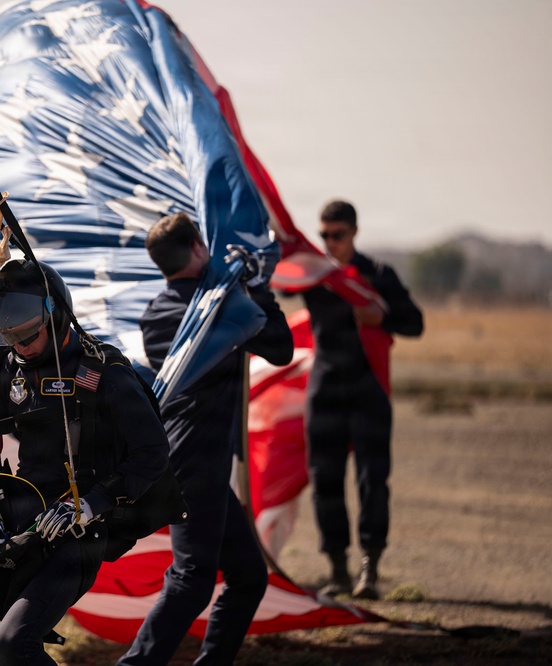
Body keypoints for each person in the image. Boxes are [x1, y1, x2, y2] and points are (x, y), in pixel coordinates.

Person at [0, 258, 174, 666]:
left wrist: (89, 505)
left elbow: (151, 454)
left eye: (28, 333)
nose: (20, 345)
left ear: (56, 314)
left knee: (13, 647)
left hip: (77, 537)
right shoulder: (3, 369)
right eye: (9, 334)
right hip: (13, 525)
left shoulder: (104, 372)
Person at [117, 212, 293, 666]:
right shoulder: (218, 309)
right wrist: (257, 292)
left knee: (249, 576)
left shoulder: (157, 312)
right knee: (192, 579)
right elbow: (281, 347)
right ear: (198, 247)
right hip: (194, 462)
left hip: (193, 462)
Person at [302, 199, 424, 599]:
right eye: (324, 236)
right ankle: (338, 571)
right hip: (324, 391)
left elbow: (414, 322)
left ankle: (370, 571)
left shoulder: (376, 275)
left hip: (367, 390)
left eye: (337, 235)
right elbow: (278, 282)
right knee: (325, 483)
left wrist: (380, 318)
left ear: (354, 232)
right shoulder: (315, 275)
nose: (330, 243)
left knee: (373, 482)